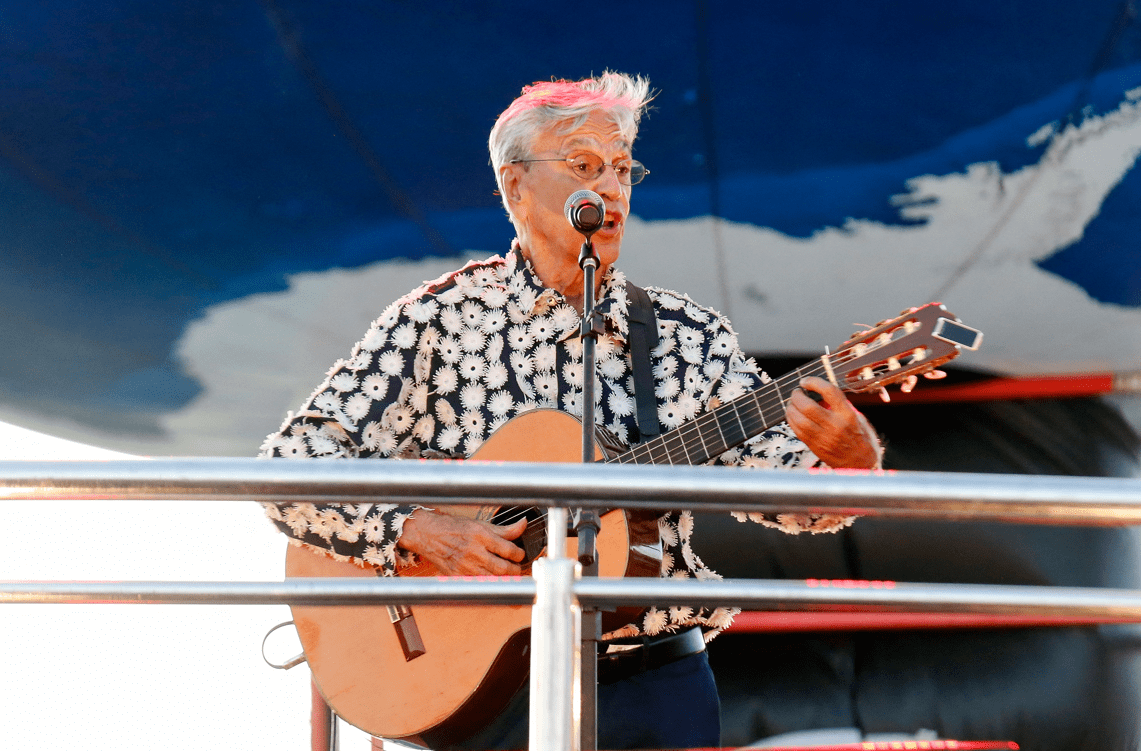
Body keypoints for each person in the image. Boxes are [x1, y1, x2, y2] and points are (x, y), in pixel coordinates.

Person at [260, 71, 882, 749]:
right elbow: (290, 467)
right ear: (514, 186)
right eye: (585, 166)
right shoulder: (437, 319)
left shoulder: (686, 335)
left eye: (622, 169)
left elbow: (795, 504)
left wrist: (849, 457)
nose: (612, 189)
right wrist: (421, 528)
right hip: (485, 692)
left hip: (655, 686)